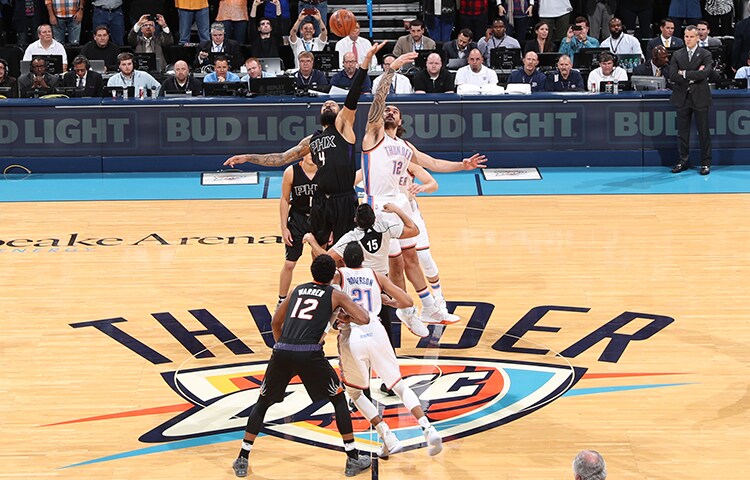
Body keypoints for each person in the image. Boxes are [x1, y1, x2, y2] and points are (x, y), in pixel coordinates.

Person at [362, 51, 485, 325]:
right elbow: (378, 100)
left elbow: (433, 164)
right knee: (391, 264)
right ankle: (403, 311)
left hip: (400, 205)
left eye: (395, 111)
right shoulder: (374, 136)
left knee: (412, 258)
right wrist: (390, 71)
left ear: (401, 122)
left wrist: (462, 165)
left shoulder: (405, 147)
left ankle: (429, 308)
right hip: (377, 205)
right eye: (387, 110)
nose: (389, 111)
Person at [224, 43, 385, 249]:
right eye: (324, 105)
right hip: (321, 200)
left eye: (333, 105)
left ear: (339, 113)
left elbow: (353, 96)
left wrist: (365, 62)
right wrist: (248, 157)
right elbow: (281, 158)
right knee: (318, 246)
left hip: (344, 199)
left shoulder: (344, 129)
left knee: (345, 248)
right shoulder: (312, 140)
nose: (328, 104)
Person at [230, 254, 371, 478]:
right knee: (338, 399)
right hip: (309, 354)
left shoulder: (296, 290)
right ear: (332, 275)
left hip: (283, 351)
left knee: (263, 402)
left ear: (312, 272)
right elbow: (364, 318)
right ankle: (353, 458)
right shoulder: (335, 294)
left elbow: (275, 322)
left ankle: (242, 458)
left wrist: (282, 348)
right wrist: (346, 317)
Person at [335, 241, 443, 458]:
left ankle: (387, 435)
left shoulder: (339, 275)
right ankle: (427, 428)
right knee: (399, 385)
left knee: (355, 392)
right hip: (376, 331)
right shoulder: (376, 275)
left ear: (344, 260)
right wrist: (388, 302)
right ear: (364, 259)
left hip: (351, 335)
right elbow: (407, 301)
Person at [304, 202, 429, 338]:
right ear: (374, 218)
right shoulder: (385, 227)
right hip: (380, 282)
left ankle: (336, 319)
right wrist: (396, 210)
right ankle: (407, 314)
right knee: (385, 328)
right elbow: (414, 230)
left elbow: (326, 259)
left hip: (355, 284)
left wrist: (312, 241)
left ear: (355, 220)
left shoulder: (351, 237)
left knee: (350, 322)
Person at [669, 25, 713, 175]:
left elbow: (705, 73)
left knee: (703, 132)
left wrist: (684, 73)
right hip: (682, 97)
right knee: (682, 132)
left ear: (697, 38)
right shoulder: (677, 54)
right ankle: (683, 161)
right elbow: (672, 75)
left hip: (700, 97)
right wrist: (694, 75)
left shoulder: (706, 54)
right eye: (686, 36)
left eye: (691, 37)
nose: (688, 39)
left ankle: (705, 163)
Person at [277, 154, 318, 305]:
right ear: (302, 154)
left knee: (319, 260)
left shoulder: (325, 170)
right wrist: (284, 227)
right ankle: (281, 300)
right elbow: (284, 199)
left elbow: (331, 200)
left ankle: (320, 297)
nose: (311, 155)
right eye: (308, 152)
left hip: (319, 220)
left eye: (314, 151)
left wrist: (332, 226)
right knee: (289, 263)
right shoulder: (291, 171)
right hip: (297, 219)